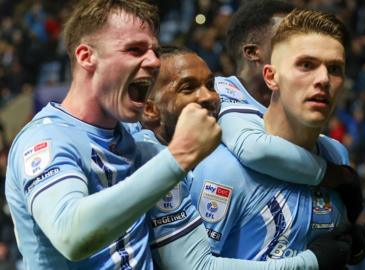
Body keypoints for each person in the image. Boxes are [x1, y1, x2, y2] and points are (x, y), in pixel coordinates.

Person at [4, 1, 221, 269]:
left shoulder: (135, 141)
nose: (154, 61)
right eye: (134, 49)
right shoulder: (45, 140)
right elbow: (71, 236)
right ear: (86, 57)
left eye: (153, 50)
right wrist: (180, 155)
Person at [137, 44, 353, 269]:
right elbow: (193, 267)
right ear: (150, 110)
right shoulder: (149, 155)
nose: (209, 96)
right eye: (188, 88)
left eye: (210, 85)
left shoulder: (221, 129)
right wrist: (311, 262)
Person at [190, 8, 365, 265]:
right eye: (306, 65)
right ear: (271, 77)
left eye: (335, 69)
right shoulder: (224, 168)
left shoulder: (336, 154)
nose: (323, 80)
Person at [216, 0, 363, 225]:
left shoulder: (332, 150)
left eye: (334, 69)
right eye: (282, 33)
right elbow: (254, 148)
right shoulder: (219, 94)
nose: (296, 36)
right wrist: (336, 176)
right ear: (254, 53)